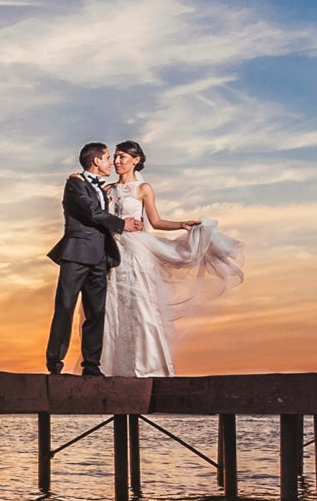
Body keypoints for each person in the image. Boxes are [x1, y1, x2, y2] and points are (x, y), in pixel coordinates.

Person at [101, 140, 244, 377]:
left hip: (135, 250)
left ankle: (148, 366)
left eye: (122, 157)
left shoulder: (143, 188)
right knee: (112, 306)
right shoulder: (107, 189)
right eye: (114, 157)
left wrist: (181, 224)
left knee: (141, 303)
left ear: (136, 160)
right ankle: (114, 368)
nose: (116, 162)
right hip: (110, 250)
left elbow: (155, 221)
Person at [45, 142, 141, 376]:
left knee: (96, 312)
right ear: (96, 161)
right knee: (65, 307)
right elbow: (92, 212)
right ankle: (55, 363)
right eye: (108, 158)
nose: (111, 162)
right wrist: (122, 224)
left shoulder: (104, 188)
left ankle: (91, 365)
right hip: (76, 253)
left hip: (100, 257)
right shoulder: (75, 184)